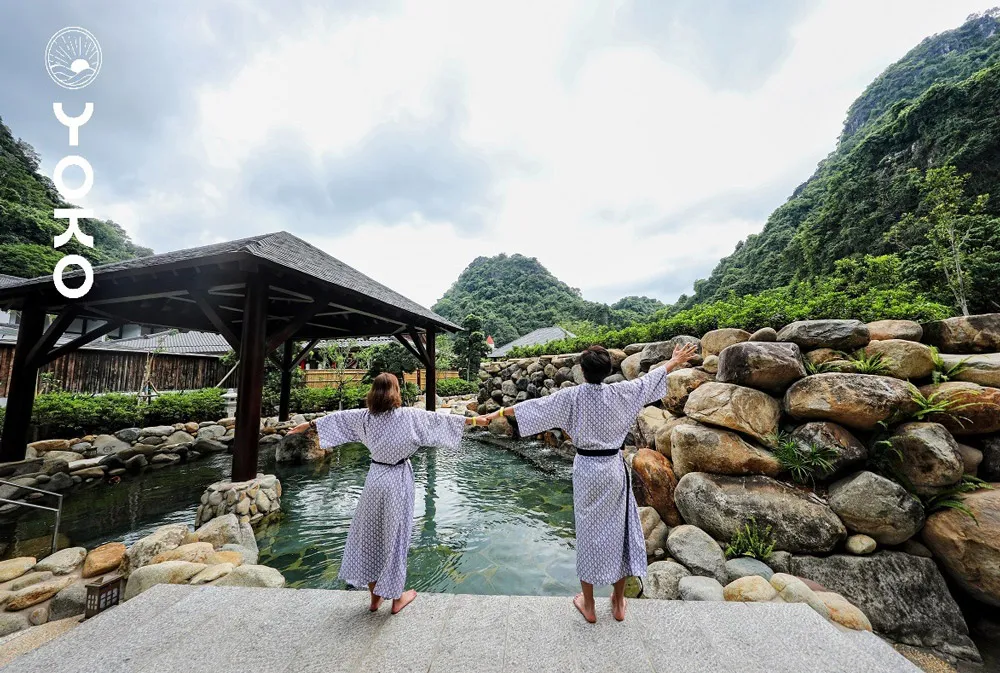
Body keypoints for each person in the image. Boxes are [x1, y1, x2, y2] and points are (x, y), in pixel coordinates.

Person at [485, 342, 698, 623]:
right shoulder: (622, 392)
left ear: (582, 372)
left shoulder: (571, 397)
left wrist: (494, 414)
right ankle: (619, 602)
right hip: (612, 469)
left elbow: (532, 407)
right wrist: (674, 360)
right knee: (618, 531)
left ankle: (589, 604)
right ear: (608, 370)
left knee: (588, 533)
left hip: (587, 470)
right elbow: (649, 380)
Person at [288, 372, 490, 614]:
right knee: (395, 538)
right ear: (396, 391)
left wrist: (307, 425)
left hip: (375, 479)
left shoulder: (364, 417)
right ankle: (396, 598)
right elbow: (440, 421)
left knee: (369, 536)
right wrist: (476, 421)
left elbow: (337, 419)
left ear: (373, 392)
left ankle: (374, 598)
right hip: (397, 480)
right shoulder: (409, 416)